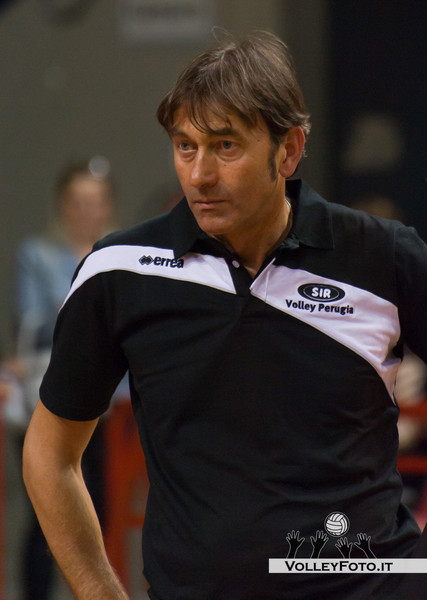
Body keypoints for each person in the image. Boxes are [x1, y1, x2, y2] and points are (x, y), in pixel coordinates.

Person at [22, 31, 427, 600]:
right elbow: (49, 454)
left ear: (289, 150)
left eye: (226, 145)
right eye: (185, 146)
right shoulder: (120, 272)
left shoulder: (385, 256)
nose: (199, 174)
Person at [15, 159, 116, 600]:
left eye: (94, 202)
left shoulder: (120, 255)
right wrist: (95, 318)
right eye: (77, 202)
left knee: (101, 509)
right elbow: (32, 326)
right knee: (46, 511)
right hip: (50, 396)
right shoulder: (37, 254)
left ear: (108, 207)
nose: (85, 211)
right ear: (62, 204)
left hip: (112, 403)